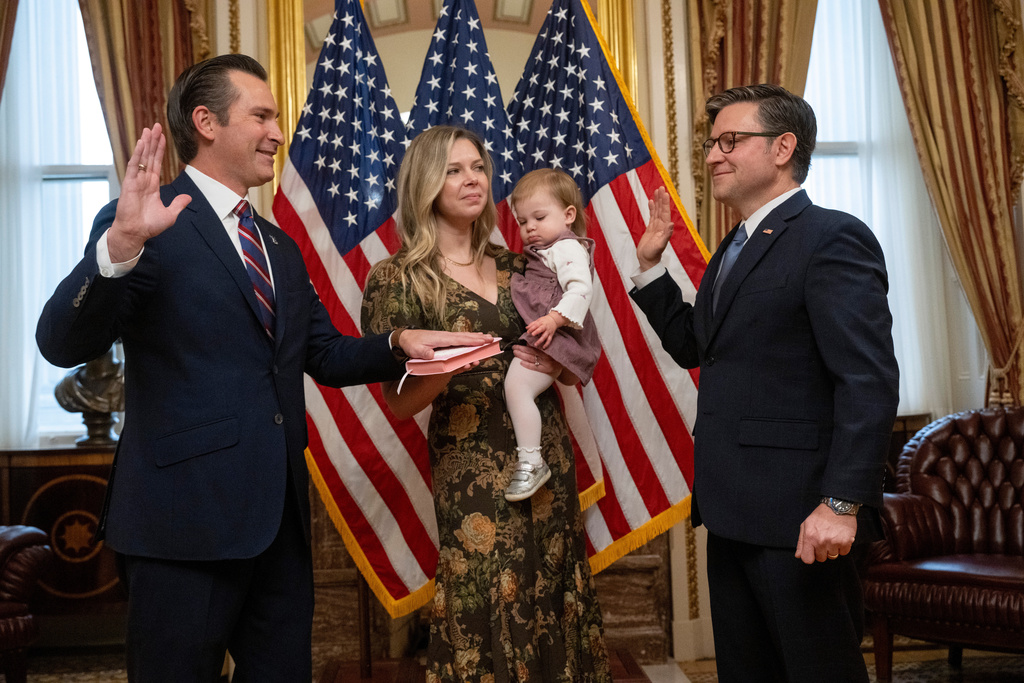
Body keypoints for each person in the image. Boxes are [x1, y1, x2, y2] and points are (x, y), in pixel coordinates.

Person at [35, 54, 488, 682]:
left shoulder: (276, 243)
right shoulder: (143, 221)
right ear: (207, 123)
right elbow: (61, 340)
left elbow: (323, 354)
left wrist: (400, 342)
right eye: (263, 116)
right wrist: (119, 247)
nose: (278, 133)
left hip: (278, 528)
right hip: (181, 528)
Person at [630, 84, 899, 682]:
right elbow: (699, 348)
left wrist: (840, 503)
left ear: (783, 147)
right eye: (710, 144)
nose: (711, 156)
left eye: (730, 141)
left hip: (802, 519)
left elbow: (868, 380)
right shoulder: (735, 245)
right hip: (730, 512)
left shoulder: (832, 237)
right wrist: (652, 267)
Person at [361, 125, 611, 682]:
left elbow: (575, 368)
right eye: (453, 169)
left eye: (477, 167)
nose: (472, 179)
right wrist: (452, 365)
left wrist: (556, 364)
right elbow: (398, 406)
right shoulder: (397, 279)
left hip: (544, 456)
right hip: (469, 466)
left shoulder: (526, 265)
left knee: (552, 585)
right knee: (484, 590)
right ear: (425, 183)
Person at [503, 168, 601, 502]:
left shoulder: (568, 248)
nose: (529, 228)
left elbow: (581, 289)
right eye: (522, 221)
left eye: (539, 217)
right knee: (517, 388)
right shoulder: (545, 251)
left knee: (516, 388)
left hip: (556, 333)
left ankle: (531, 461)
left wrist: (554, 320)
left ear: (568, 215)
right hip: (549, 331)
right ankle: (530, 459)